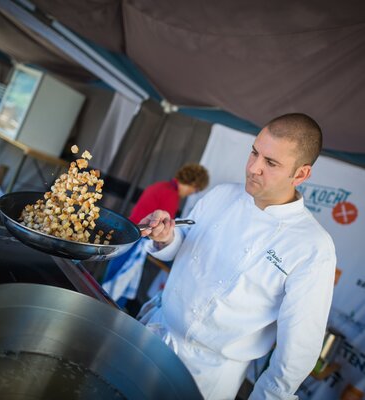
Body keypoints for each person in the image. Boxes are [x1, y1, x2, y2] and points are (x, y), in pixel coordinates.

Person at [137, 113, 336, 400]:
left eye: (271, 163)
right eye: (254, 152)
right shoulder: (221, 195)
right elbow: (184, 247)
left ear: (301, 174)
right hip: (153, 335)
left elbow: (298, 350)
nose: (254, 168)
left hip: (206, 376)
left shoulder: (313, 247)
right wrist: (165, 237)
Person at [101, 163, 209, 309]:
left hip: (128, 234)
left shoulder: (161, 185)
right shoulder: (171, 195)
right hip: (136, 240)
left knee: (115, 278)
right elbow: (164, 230)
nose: (192, 193)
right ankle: (104, 311)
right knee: (118, 283)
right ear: (193, 183)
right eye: (195, 190)